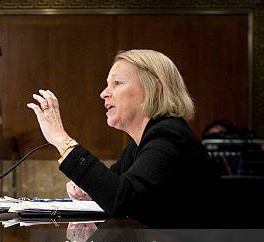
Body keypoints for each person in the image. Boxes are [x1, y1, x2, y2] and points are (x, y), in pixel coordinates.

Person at [26, 49, 221, 228]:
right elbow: (115, 190)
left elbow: (124, 200)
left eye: (117, 83)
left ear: (155, 88)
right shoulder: (139, 144)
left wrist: (61, 139)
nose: (104, 94)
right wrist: (91, 192)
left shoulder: (169, 138)